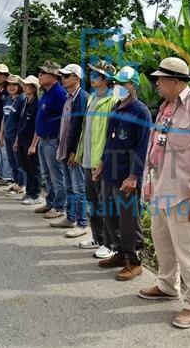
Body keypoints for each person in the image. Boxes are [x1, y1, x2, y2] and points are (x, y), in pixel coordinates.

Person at [138, 57, 190, 329]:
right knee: (162, 242)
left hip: (184, 195)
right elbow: (156, 148)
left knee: (189, 250)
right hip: (161, 188)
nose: (156, 84)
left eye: (160, 79)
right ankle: (167, 286)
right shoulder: (165, 107)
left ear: (176, 81)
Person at [92, 66, 152, 281]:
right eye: (116, 83)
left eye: (122, 84)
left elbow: (143, 147)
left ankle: (134, 261)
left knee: (129, 220)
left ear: (133, 86)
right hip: (110, 172)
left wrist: (134, 176)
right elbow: (110, 141)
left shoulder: (140, 112)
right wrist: (101, 164)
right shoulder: (117, 108)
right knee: (110, 216)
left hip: (127, 176)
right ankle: (119, 253)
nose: (117, 87)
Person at [75, 60, 118, 259]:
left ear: (106, 79)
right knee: (92, 201)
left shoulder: (113, 101)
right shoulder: (92, 97)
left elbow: (111, 134)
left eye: (95, 75)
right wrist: (80, 153)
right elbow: (86, 128)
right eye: (91, 74)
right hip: (88, 158)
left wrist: (103, 160)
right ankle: (97, 237)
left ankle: (111, 243)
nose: (91, 77)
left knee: (105, 203)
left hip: (101, 161)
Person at [50, 64, 90, 238]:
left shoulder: (83, 98)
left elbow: (82, 128)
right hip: (64, 149)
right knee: (69, 186)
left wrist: (75, 151)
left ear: (77, 78)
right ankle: (70, 218)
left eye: (67, 76)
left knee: (79, 188)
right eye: (63, 76)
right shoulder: (69, 97)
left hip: (74, 152)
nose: (63, 79)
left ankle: (82, 224)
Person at [31, 60, 68, 217]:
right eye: (40, 72)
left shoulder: (59, 94)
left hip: (53, 140)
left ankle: (60, 207)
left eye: (43, 73)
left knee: (56, 176)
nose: (40, 75)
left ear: (54, 76)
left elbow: (65, 119)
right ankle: (51, 202)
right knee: (47, 175)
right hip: (43, 139)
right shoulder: (45, 93)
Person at [13, 75, 43, 205]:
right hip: (22, 139)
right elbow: (21, 123)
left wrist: (34, 145)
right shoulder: (25, 101)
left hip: (31, 141)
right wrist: (17, 140)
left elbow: (38, 126)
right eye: (24, 85)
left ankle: (35, 195)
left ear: (34, 88)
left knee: (34, 169)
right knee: (26, 168)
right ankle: (29, 192)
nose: (24, 87)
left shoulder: (38, 103)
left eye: (27, 85)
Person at [0, 74, 26, 196]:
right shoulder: (7, 99)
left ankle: (21, 185)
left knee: (19, 162)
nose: (11, 87)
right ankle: (15, 183)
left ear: (19, 86)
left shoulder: (22, 100)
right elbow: (4, 118)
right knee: (12, 162)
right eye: (9, 84)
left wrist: (18, 139)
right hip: (8, 135)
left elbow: (22, 121)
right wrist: (1, 135)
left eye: (14, 85)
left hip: (16, 136)